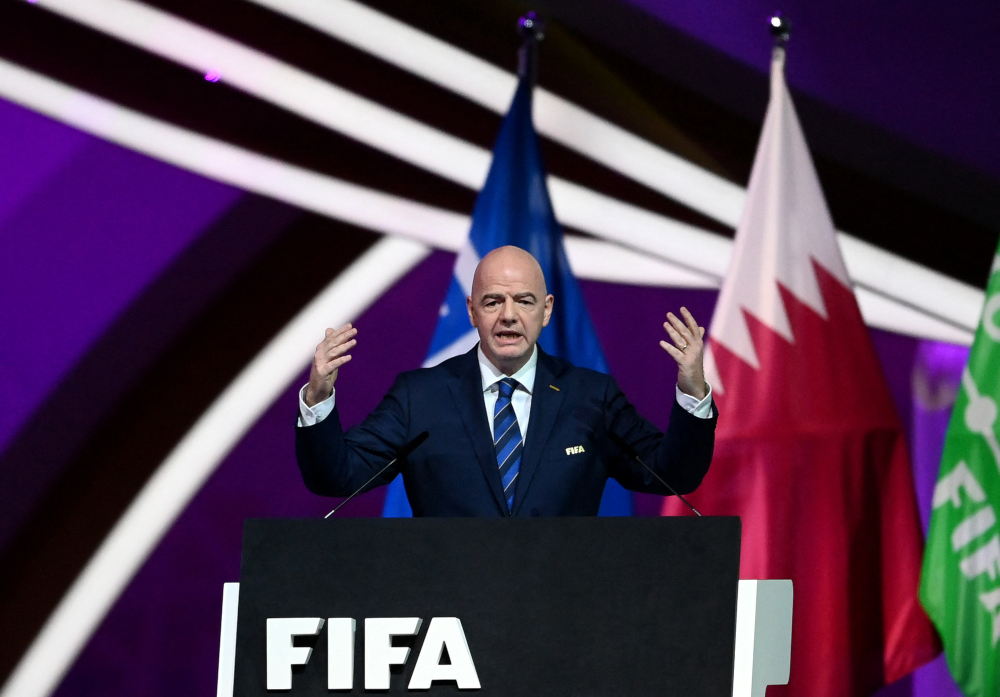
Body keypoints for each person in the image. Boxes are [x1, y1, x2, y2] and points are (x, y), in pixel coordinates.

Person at [295, 246, 717, 516]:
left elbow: (672, 475)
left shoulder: (591, 398)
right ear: (472, 310)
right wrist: (319, 394)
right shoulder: (419, 398)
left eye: (524, 301)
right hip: (450, 619)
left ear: (547, 310)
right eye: (493, 301)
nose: (509, 315)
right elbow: (336, 477)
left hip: (566, 617)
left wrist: (694, 391)